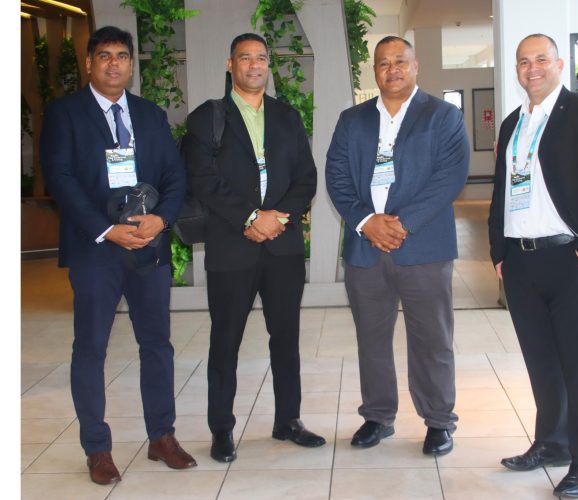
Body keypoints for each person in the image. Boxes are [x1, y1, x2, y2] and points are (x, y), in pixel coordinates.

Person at [39, 26, 196, 485]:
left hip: (148, 245)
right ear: (90, 63)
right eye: (104, 55)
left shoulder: (150, 114)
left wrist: (160, 220)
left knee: (157, 345)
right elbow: (60, 178)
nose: (114, 63)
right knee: (90, 348)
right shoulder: (65, 113)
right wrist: (107, 229)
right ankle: (98, 449)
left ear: (131, 64)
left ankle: (162, 437)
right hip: (96, 250)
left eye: (122, 56)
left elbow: (175, 175)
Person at [488, 34, 578, 498]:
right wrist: (498, 252)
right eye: (523, 61)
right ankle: (552, 443)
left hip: (571, 259)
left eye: (541, 59)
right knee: (541, 363)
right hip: (520, 261)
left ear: (559, 64)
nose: (532, 68)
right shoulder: (512, 124)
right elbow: (502, 191)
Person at [182, 33, 324, 463]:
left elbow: (306, 178)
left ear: (268, 64)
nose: (254, 64)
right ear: (231, 65)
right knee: (225, 342)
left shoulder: (287, 116)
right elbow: (203, 180)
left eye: (261, 57)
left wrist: (277, 218)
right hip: (231, 248)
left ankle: (288, 420)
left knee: (286, 338)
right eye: (245, 57)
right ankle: (222, 430)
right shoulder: (208, 118)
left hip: (282, 248)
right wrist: (249, 218)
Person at [325, 35, 469, 456]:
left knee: (432, 339)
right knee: (371, 339)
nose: (392, 69)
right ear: (375, 71)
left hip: (424, 248)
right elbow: (336, 176)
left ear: (415, 65)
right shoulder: (352, 120)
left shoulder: (442, 116)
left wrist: (401, 224)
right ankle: (377, 416)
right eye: (384, 63)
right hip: (366, 248)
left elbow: (450, 176)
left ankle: (439, 421)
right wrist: (366, 222)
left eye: (400, 61)